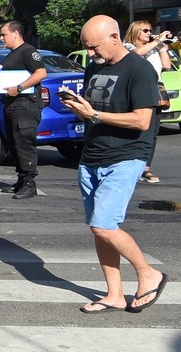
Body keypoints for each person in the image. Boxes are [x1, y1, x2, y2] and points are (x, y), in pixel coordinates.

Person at [61, 16, 168, 315]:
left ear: (114, 37)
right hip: (92, 156)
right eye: (87, 48)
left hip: (126, 156)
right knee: (100, 229)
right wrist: (79, 107)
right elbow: (96, 107)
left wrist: (94, 115)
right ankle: (115, 295)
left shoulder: (139, 69)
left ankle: (149, 273)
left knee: (103, 224)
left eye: (94, 47)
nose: (91, 54)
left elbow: (141, 120)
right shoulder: (95, 66)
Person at [0, 20, 47, 199]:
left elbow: (41, 73)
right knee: (15, 143)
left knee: (24, 143)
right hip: (13, 105)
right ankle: (21, 180)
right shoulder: (11, 54)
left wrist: (19, 87)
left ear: (16, 34)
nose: (1, 38)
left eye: (4, 34)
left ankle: (29, 183)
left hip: (25, 106)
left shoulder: (28, 51)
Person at [123, 19, 172, 184]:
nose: (149, 33)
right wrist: (157, 40)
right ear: (136, 31)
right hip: (135, 92)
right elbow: (136, 54)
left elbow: (167, 64)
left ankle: (146, 168)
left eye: (150, 30)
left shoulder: (153, 48)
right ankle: (130, 163)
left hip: (154, 92)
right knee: (136, 130)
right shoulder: (127, 46)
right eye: (146, 30)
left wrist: (161, 46)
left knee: (152, 133)